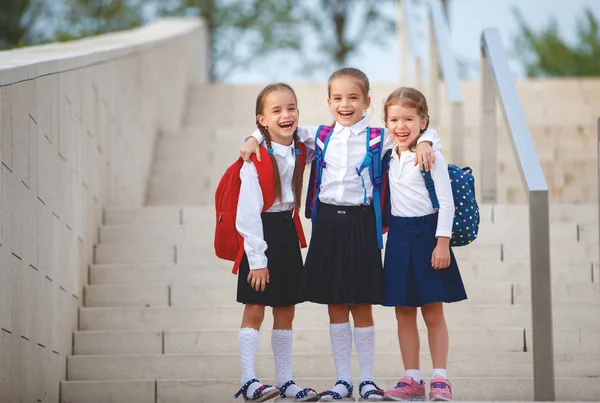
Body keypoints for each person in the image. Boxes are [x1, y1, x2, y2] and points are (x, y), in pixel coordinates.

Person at [241, 68, 440, 402]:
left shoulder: (380, 136)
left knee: (362, 302)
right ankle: (343, 380)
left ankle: (366, 380)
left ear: (367, 102)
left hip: (363, 224)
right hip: (328, 223)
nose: (345, 104)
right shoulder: (318, 135)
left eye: (353, 98)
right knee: (335, 303)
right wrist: (251, 137)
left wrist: (427, 140)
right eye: (338, 98)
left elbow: (417, 127)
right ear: (328, 102)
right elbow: (273, 129)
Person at [380, 87, 467, 402]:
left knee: (432, 311)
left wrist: (442, 244)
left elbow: (447, 204)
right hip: (399, 237)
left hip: (429, 235)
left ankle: (440, 379)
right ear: (386, 123)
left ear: (423, 121)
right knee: (403, 312)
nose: (401, 126)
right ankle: (412, 378)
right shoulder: (388, 152)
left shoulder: (432, 155)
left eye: (409, 119)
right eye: (394, 119)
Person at [234, 83, 318, 402]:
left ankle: (285, 380)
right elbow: (247, 214)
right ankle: (249, 380)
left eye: (291, 107)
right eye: (277, 110)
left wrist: (255, 133)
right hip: (261, 232)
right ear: (261, 118)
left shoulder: (300, 147)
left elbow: (318, 134)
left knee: (286, 309)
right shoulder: (255, 158)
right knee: (255, 307)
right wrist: (257, 260)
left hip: (287, 231)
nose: (286, 115)